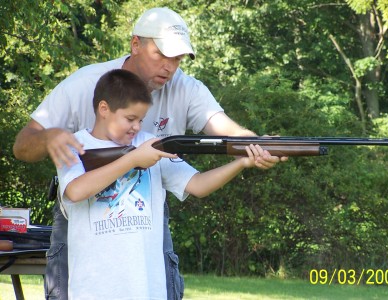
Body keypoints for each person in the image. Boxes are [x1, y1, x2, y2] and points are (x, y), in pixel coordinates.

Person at [13, 7, 284, 300]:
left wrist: (254, 149)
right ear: (136, 44)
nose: (170, 66)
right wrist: (50, 137)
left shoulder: (185, 92)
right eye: (162, 54)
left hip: (146, 217)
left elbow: (227, 138)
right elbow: (24, 147)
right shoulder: (83, 84)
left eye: (178, 59)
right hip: (83, 225)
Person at [57, 68, 262, 299]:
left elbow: (198, 185)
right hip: (93, 290)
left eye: (141, 120)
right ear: (104, 109)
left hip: (149, 289)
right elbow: (75, 191)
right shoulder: (72, 146)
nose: (137, 127)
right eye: (130, 119)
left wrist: (241, 163)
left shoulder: (151, 144)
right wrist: (133, 159)